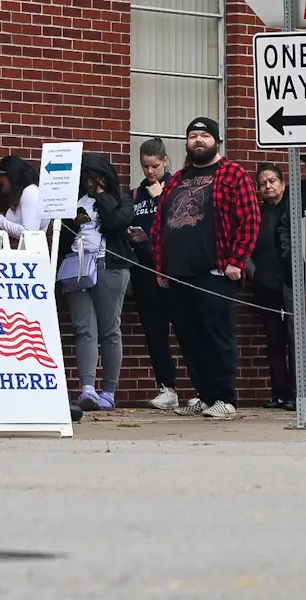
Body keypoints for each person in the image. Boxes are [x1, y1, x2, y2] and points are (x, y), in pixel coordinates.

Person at [152, 117, 260, 419]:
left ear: (216, 141)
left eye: (204, 136)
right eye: (193, 136)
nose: (198, 141)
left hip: (215, 272)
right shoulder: (177, 180)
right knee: (189, 339)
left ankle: (225, 398)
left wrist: (237, 261)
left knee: (217, 338)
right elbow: (160, 226)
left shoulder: (232, 174)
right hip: (178, 274)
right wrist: (161, 268)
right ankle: (205, 394)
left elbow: (250, 221)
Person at [61, 152, 131, 411]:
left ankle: (109, 391)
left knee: (110, 330)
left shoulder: (122, 200)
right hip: (77, 267)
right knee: (84, 329)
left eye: (96, 177)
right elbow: (63, 235)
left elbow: (115, 223)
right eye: (87, 178)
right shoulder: (72, 202)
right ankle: (87, 388)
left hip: (108, 267)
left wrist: (102, 195)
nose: (90, 183)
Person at [128, 138, 184, 411]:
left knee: (188, 331)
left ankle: (205, 389)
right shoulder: (136, 194)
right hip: (146, 271)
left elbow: (181, 225)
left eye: (154, 166)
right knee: (155, 333)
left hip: (174, 270)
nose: (149, 172)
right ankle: (167, 387)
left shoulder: (176, 187)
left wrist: (160, 197)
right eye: (145, 166)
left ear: (165, 161)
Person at [250, 161, 296, 409]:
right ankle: (278, 392)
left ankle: (294, 394)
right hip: (265, 286)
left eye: (272, 181)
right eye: (263, 183)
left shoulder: (293, 209)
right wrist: (253, 273)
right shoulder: (256, 214)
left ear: (283, 184)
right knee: (274, 341)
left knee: (294, 339)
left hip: (291, 284)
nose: (268, 186)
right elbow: (245, 247)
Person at [0, 155, 45, 239]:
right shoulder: (25, 193)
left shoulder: (30, 192)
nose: (2, 189)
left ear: (11, 176)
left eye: (2, 183)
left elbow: (29, 233)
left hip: (31, 250)